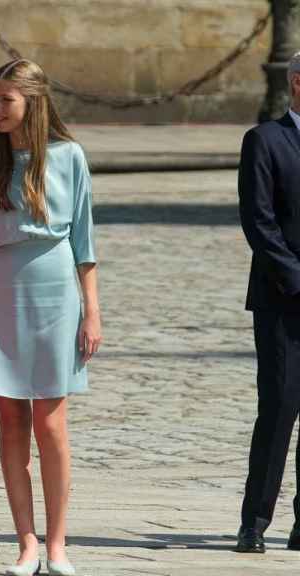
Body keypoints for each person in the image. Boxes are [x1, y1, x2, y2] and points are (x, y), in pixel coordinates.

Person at [0, 58, 100, 576]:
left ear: (33, 102)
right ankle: (25, 543)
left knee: (51, 422)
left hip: (55, 288)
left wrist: (92, 312)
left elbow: (85, 241)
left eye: (6, 99)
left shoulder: (70, 157)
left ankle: (58, 545)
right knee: (10, 420)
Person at [235, 50, 300, 555]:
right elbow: (259, 221)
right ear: (297, 84)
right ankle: (255, 521)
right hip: (283, 299)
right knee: (278, 408)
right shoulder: (265, 140)